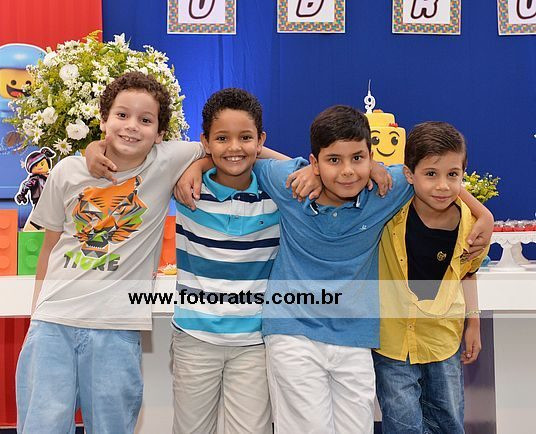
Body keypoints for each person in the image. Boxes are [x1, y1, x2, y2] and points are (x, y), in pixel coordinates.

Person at [176, 105, 492, 433]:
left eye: (358, 158)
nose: (347, 171)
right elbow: (243, 155)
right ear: (314, 162)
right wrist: (200, 163)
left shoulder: (386, 188)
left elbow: (435, 175)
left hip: (355, 336)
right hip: (292, 331)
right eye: (333, 161)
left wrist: (483, 213)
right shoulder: (292, 183)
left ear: (371, 158)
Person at [15, 71, 206, 433]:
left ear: (161, 134)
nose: (132, 126)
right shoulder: (67, 171)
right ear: (103, 120)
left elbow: (228, 149)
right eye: (121, 115)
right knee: (41, 425)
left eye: (145, 120)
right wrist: (36, 314)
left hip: (117, 328)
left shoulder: (165, 162)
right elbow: (49, 247)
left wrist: (195, 164)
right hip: (53, 322)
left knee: (112, 426)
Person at [171, 87, 281, 434]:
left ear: (261, 140)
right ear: (205, 140)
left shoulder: (277, 193)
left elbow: (308, 171)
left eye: (245, 137)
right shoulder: (186, 189)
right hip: (194, 338)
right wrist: (199, 164)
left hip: (254, 343)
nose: (234, 147)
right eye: (222, 138)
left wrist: (205, 159)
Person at [373, 122, 487, 433]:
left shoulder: (472, 226)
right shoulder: (389, 212)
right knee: (402, 425)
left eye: (453, 175)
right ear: (409, 174)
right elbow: (347, 169)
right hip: (393, 342)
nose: (442, 186)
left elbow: (468, 273)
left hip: (442, 338)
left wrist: (474, 322)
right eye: (431, 174)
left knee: (449, 421)